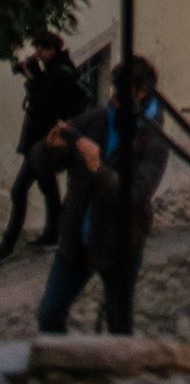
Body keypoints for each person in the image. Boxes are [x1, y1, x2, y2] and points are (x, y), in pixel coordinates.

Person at [34, 56, 169, 337]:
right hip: (76, 237)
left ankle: (117, 376)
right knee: (49, 313)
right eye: (114, 90)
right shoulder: (97, 118)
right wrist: (50, 147)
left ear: (141, 94)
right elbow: (43, 163)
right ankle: (60, 367)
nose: (114, 99)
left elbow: (136, 195)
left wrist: (98, 169)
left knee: (118, 323)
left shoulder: (152, 139)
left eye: (122, 92)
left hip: (120, 242)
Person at [0, 36, 86, 262]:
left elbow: (43, 104)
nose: (37, 53)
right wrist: (35, 74)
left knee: (19, 190)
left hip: (42, 141)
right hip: (41, 140)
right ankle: (52, 234)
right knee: (48, 187)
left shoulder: (60, 73)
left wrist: (32, 77)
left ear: (52, 49)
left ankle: (8, 243)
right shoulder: (55, 70)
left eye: (41, 49)